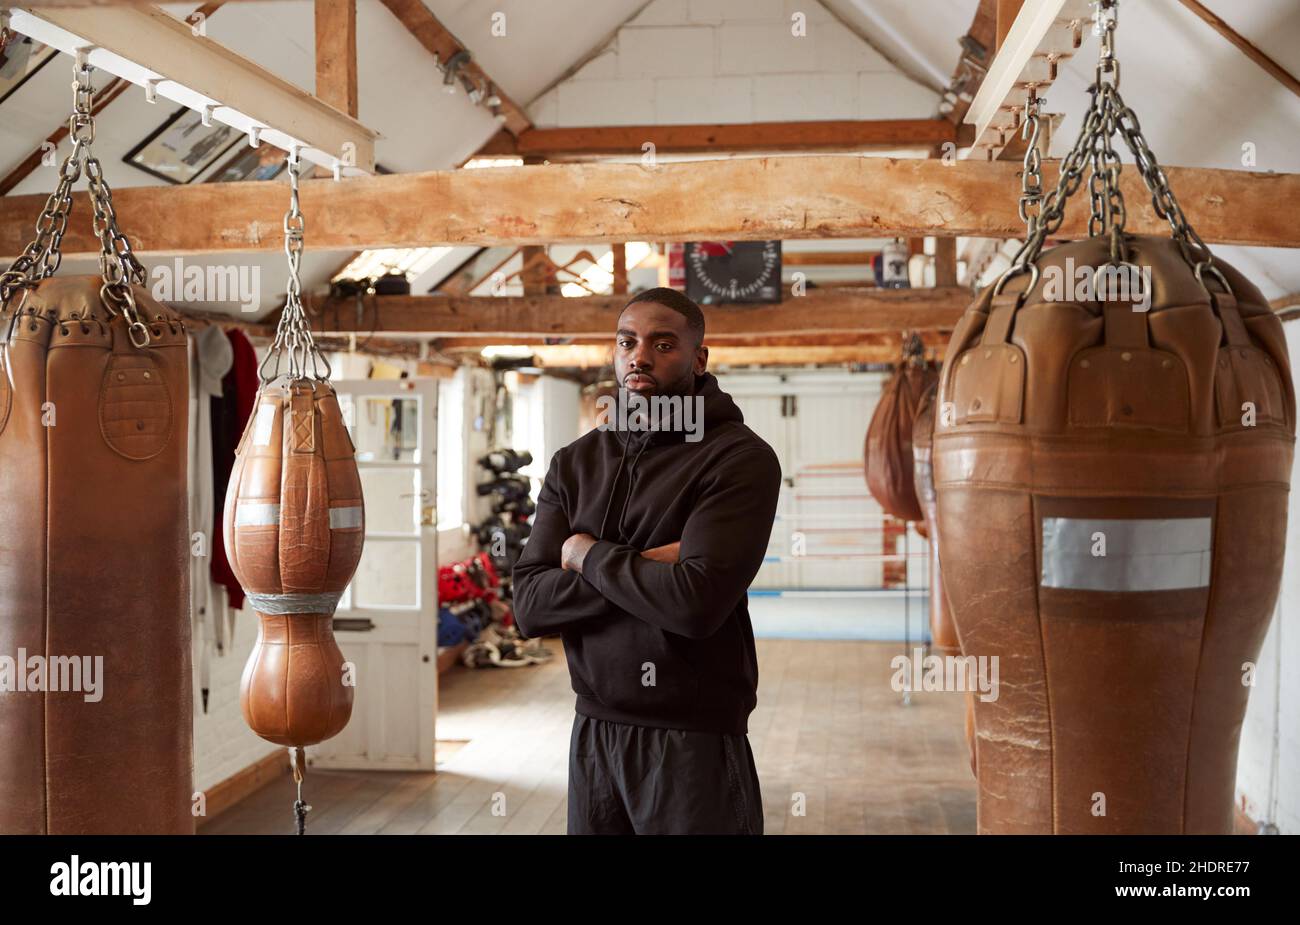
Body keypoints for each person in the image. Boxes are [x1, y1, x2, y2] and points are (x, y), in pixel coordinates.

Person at [512, 286, 782, 835]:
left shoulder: (738, 459)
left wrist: (584, 555)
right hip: (594, 731)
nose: (640, 356)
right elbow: (530, 607)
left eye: (663, 344)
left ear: (698, 358)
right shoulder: (576, 462)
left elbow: (694, 603)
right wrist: (645, 567)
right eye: (627, 342)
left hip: (694, 738)